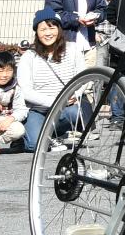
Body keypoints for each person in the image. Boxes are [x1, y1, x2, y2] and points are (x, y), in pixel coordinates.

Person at [19, 9, 87, 152]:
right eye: (42, 29)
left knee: (76, 113)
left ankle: (56, 134)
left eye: (52, 27)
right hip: (37, 111)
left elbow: (83, 78)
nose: (48, 33)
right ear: (36, 32)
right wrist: (56, 100)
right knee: (34, 146)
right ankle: (25, 135)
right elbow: (26, 92)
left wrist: (76, 94)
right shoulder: (29, 56)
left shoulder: (73, 49)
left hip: (64, 109)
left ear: (59, 29)